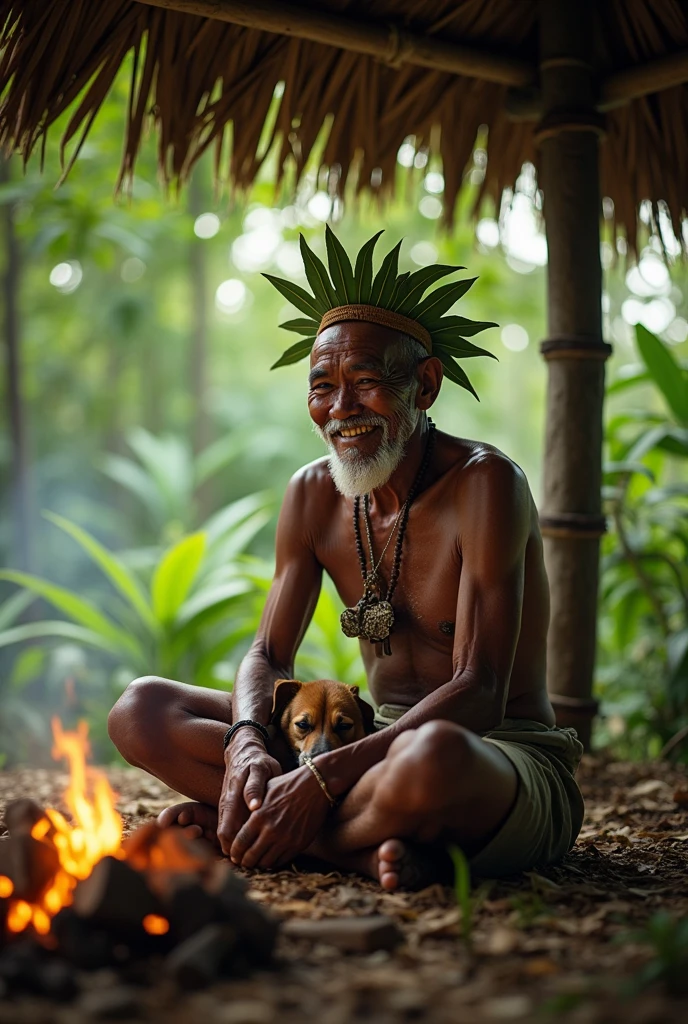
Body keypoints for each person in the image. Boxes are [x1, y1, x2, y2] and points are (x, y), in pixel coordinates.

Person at [108, 229, 584, 890]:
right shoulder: (312, 493)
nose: (339, 410)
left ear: (424, 384)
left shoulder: (485, 484)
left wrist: (322, 780)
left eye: (364, 383)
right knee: (142, 710)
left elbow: (479, 691)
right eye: (322, 387)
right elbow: (268, 657)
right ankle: (354, 849)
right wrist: (247, 739)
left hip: (497, 758)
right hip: (363, 748)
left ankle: (260, 832)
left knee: (434, 757)